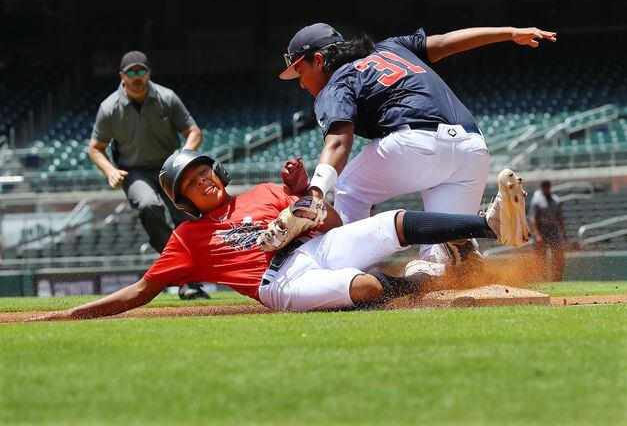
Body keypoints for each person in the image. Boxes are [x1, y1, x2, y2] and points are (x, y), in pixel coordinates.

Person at [31, 150, 529, 321]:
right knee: (368, 288)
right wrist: (77, 312)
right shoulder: (187, 238)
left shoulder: (267, 192)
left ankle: (488, 225)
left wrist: (302, 200)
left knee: (394, 222)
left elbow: (333, 224)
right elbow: (142, 290)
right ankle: (431, 288)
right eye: (191, 182)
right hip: (279, 285)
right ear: (183, 200)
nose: (204, 180)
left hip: (313, 245)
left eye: (205, 171)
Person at [277, 23, 556, 266]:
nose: (300, 83)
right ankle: (485, 230)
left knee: (348, 187)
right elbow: (445, 42)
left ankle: (350, 270)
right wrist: (510, 33)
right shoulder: (391, 47)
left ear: (318, 59)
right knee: (438, 256)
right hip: (472, 148)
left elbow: (338, 142)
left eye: (299, 71)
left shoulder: (336, 82)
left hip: (416, 145)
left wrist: (315, 192)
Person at [88, 51, 207, 299]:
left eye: (141, 70)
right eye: (131, 72)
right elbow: (95, 148)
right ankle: (182, 271)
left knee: (186, 218)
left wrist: (184, 156)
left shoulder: (167, 97)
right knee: (148, 205)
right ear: (122, 76)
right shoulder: (109, 108)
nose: (136, 76)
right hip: (134, 172)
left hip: (170, 168)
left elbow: (193, 132)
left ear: (149, 72)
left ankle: (188, 280)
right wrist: (109, 170)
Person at [529, 180, 567, 281]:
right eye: (544, 187)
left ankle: (557, 277)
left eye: (548, 186)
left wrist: (563, 232)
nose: (546, 188)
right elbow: (533, 219)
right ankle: (542, 277)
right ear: (542, 187)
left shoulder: (556, 200)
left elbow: (560, 217)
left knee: (558, 253)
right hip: (542, 230)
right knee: (541, 255)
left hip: (553, 229)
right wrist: (537, 234)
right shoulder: (537, 200)